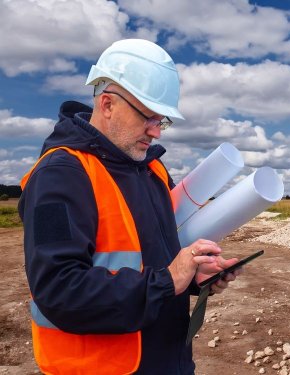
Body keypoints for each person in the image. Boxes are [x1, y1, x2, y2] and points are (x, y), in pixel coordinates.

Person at [18, 38, 242, 375]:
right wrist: (168, 280)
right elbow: (59, 290)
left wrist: (194, 277)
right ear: (107, 104)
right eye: (149, 118)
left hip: (168, 361)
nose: (157, 132)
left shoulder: (151, 170)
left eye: (162, 120)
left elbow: (160, 261)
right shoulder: (60, 175)